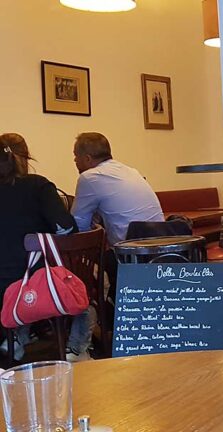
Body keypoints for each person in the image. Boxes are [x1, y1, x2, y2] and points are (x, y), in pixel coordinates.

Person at [0, 133, 92, 362]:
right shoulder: (37, 185)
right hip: (33, 281)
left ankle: (17, 335)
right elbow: (66, 228)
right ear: (26, 156)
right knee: (84, 289)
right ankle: (76, 349)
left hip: (3, 284)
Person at [71, 132, 164, 246]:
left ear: (87, 158)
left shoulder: (90, 177)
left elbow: (79, 225)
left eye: (76, 156)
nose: (75, 160)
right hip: (163, 244)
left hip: (132, 252)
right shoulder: (131, 171)